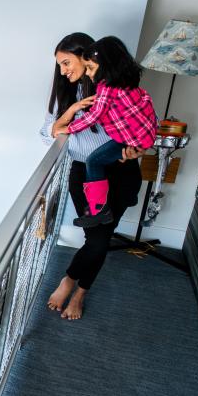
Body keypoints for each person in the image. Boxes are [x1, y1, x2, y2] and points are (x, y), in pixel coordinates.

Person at [40, 33, 143, 320]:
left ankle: (79, 290)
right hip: (84, 173)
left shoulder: (117, 90)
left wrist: (135, 150)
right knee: (96, 240)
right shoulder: (64, 94)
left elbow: (140, 127)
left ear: (88, 59)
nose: (62, 70)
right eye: (59, 65)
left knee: (102, 237)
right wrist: (72, 110)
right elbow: (48, 132)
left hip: (122, 172)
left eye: (66, 63)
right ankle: (70, 281)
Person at [56, 36, 157, 228]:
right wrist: (70, 110)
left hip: (128, 146)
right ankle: (121, 200)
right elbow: (50, 133)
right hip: (132, 140)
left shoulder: (107, 88)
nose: (88, 73)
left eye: (90, 68)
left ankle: (100, 210)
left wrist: (68, 128)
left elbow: (93, 116)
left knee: (93, 161)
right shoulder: (127, 86)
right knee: (97, 161)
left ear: (104, 65)